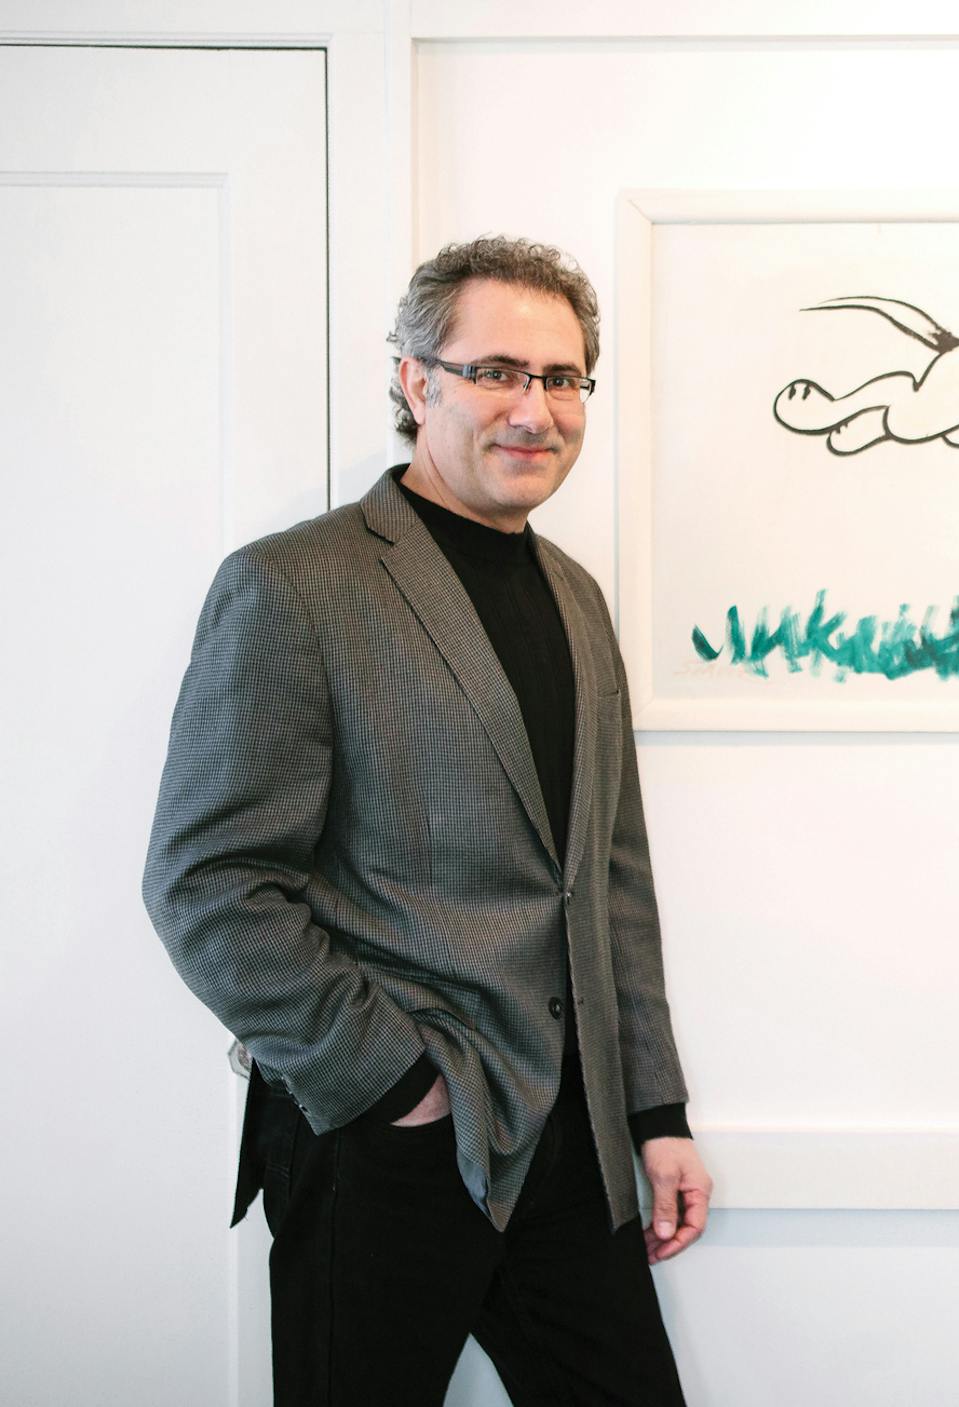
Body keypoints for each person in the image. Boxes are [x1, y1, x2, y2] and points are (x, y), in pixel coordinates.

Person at [144, 235, 709, 1403]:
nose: (534, 410)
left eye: (562, 379)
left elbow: (609, 877)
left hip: (572, 1145)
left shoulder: (577, 597)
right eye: (496, 371)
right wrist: (395, 1083)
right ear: (416, 381)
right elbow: (208, 883)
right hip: (385, 1143)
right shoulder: (294, 586)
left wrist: (655, 1111)